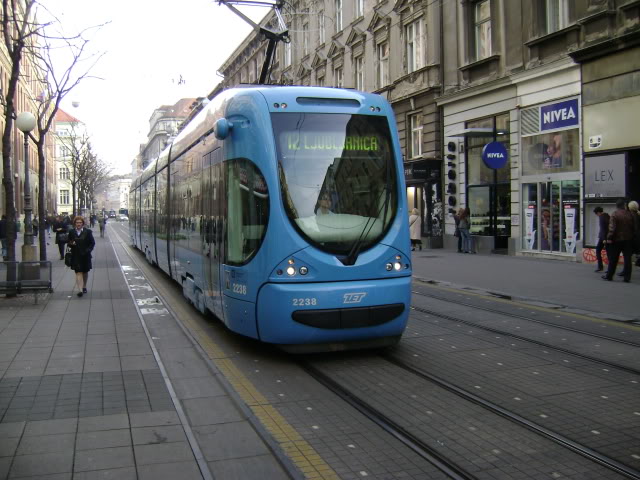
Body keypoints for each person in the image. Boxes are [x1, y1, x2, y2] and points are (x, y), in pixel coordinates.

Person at [602, 198, 636, 283]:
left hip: (616, 240)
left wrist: (609, 238)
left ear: (617, 206)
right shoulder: (630, 214)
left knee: (613, 258)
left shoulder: (615, 214)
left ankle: (609, 275)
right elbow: (634, 227)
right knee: (627, 259)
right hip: (628, 239)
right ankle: (627, 277)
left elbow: (612, 228)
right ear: (624, 205)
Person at [67, 216, 95, 297]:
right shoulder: (72, 232)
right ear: (75, 223)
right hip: (76, 255)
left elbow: (92, 243)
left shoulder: (88, 232)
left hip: (85, 255)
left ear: (82, 223)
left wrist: (88, 250)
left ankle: (84, 286)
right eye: (77, 223)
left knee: (85, 271)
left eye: (80, 222)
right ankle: (80, 290)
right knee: (78, 272)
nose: (78, 224)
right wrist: (71, 243)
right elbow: (69, 242)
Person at [593, 206, 610, 273]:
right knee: (609, 253)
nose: (597, 215)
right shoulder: (607, 215)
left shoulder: (601, 217)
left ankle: (600, 267)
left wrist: (603, 239)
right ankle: (609, 268)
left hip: (603, 237)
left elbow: (603, 229)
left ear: (598, 212)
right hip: (608, 236)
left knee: (598, 250)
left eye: (596, 214)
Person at [627, 200, 640, 268]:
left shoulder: (631, 215)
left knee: (627, 255)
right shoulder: (638, 214)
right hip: (637, 237)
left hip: (632, 237)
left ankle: (626, 271)